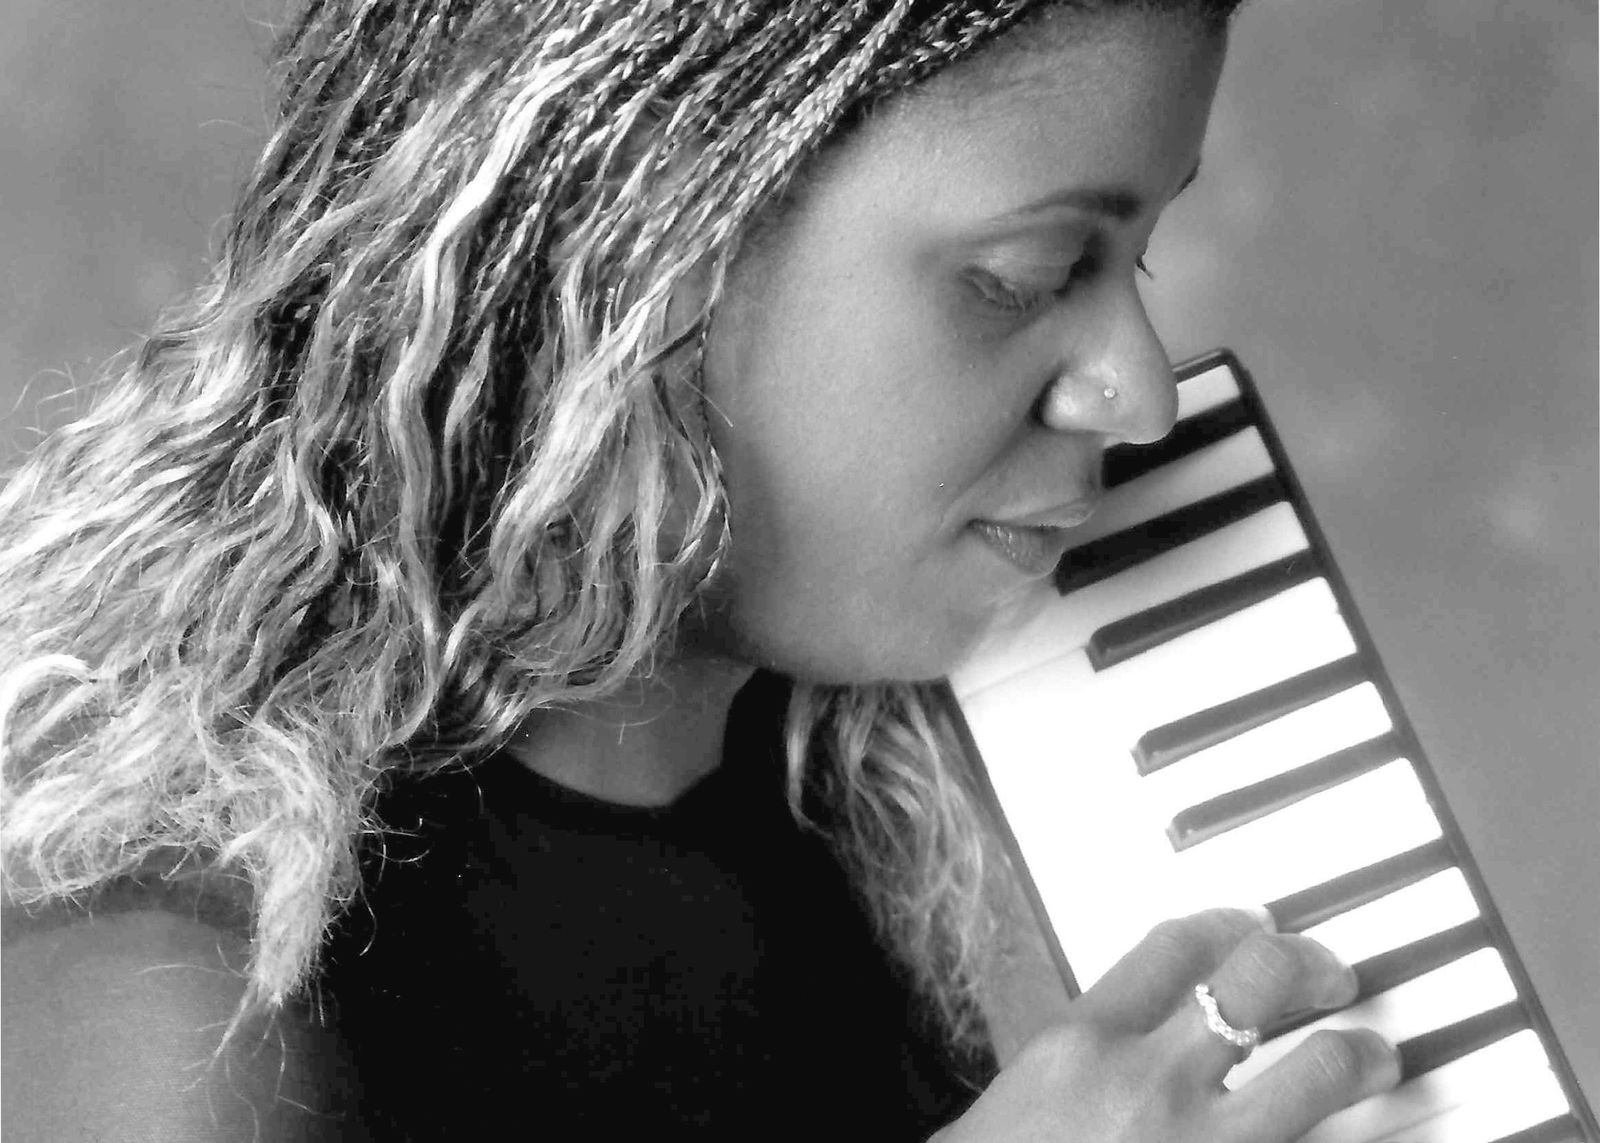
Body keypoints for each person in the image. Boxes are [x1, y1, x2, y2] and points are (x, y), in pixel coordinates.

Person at [0, 0, 1403, 1138]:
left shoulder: (979, 819)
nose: (1139, 394)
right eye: (1027, 277)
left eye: (1136, 264)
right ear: (639, 251)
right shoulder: (171, 1007)